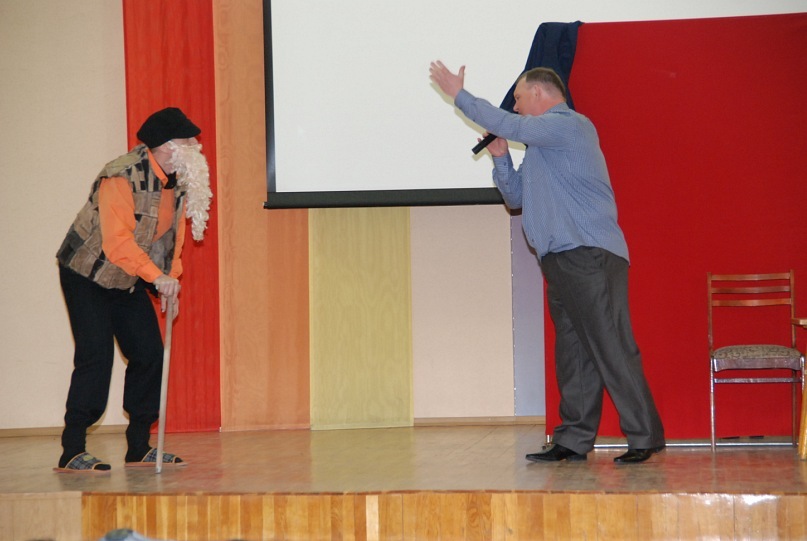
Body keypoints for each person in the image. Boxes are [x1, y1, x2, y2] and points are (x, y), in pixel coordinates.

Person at [429, 61, 665, 464]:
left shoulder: (570, 126)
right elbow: (516, 199)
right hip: (560, 261)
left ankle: (645, 436)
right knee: (573, 353)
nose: (516, 106)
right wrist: (501, 158)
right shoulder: (541, 149)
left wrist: (460, 95)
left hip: (588, 255)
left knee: (610, 344)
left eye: (519, 98)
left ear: (539, 92)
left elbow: (511, 124)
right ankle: (573, 439)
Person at [54, 107, 212, 472]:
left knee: (148, 353)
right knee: (96, 356)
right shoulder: (120, 176)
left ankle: (138, 447)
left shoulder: (179, 180)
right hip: (87, 274)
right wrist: (155, 277)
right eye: (189, 141)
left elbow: (173, 240)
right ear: (167, 145)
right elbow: (117, 242)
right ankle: (72, 449)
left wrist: (170, 281)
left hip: (127, 277)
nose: (196, 147)